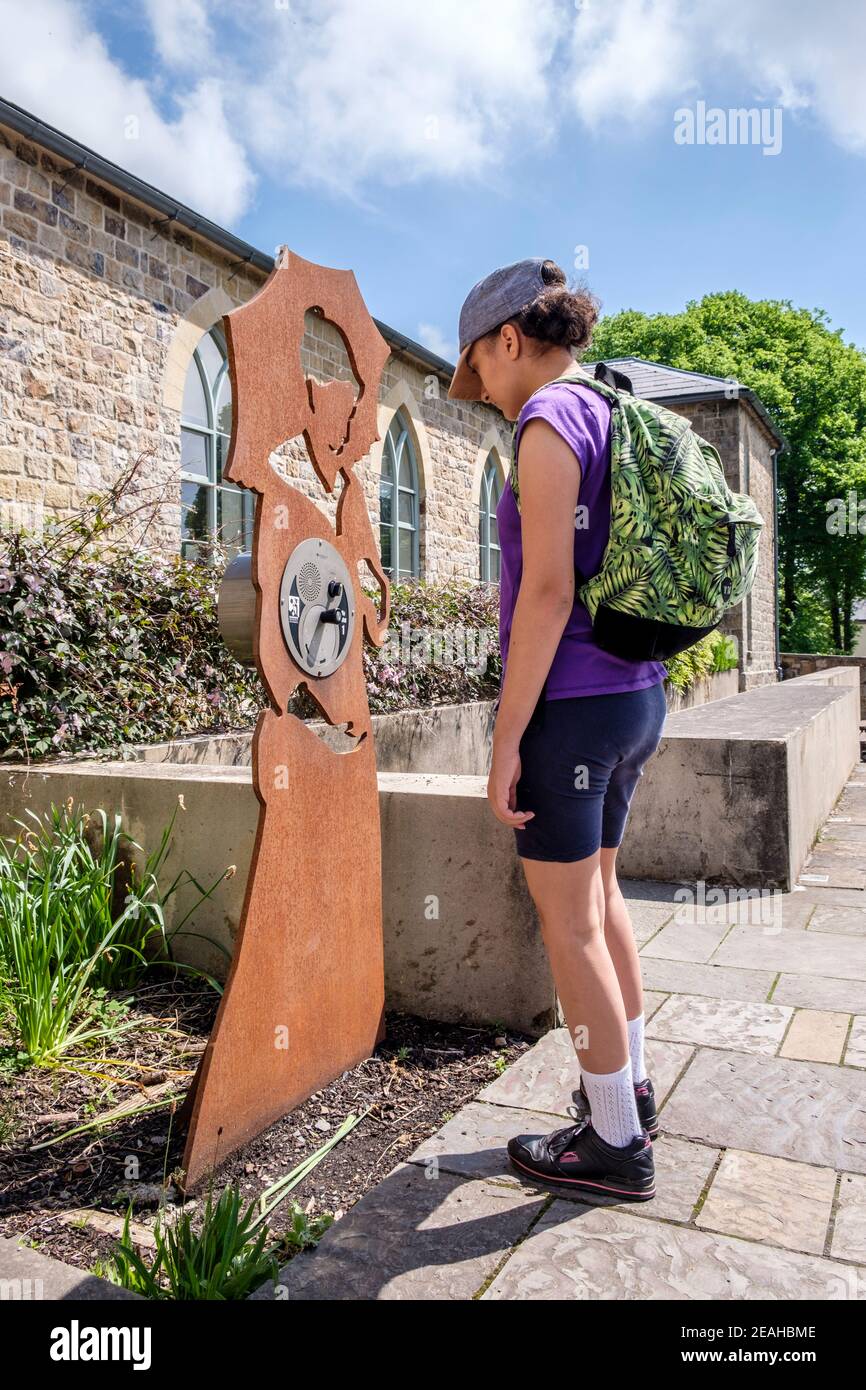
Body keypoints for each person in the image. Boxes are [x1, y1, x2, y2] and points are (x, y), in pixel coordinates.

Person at [448, 257, 669, 1202]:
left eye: (480, 370)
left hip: (570, 709)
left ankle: (614, 1144)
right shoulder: (613, 407)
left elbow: (544, 592)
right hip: (635, 696)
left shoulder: (547, 421)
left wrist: (505, 741)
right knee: (604, 897)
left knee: (567, 926)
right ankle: (631, 1089)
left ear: (509, 341)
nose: (486, 395)